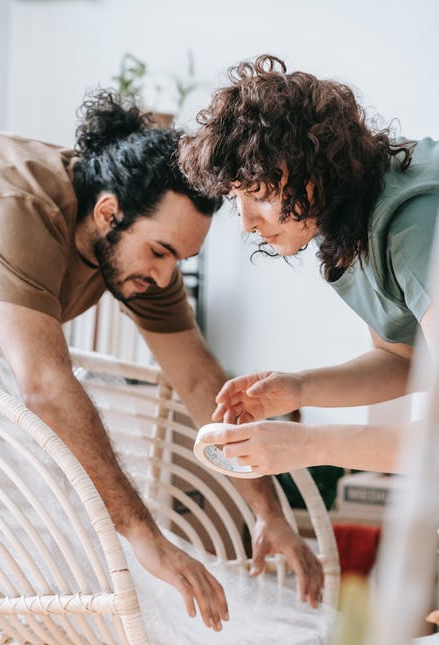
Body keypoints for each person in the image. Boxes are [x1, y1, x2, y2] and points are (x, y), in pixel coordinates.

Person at [0, 90, 324, 630]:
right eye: (161, 253)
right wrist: (147, 538)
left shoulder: (135, 243)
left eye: (181, 260)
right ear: (107, 213)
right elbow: (45, 387)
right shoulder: (20, 211)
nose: (166, 279)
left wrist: (267, 513)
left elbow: (198, 378)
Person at [178, 54, 439, 478]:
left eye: (259, 193)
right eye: (235, 198)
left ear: (312, 170)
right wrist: (300, 389)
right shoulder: (350, 225)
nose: (245, 222)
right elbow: (403, 358)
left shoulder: (415, 226)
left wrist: (305, 445)